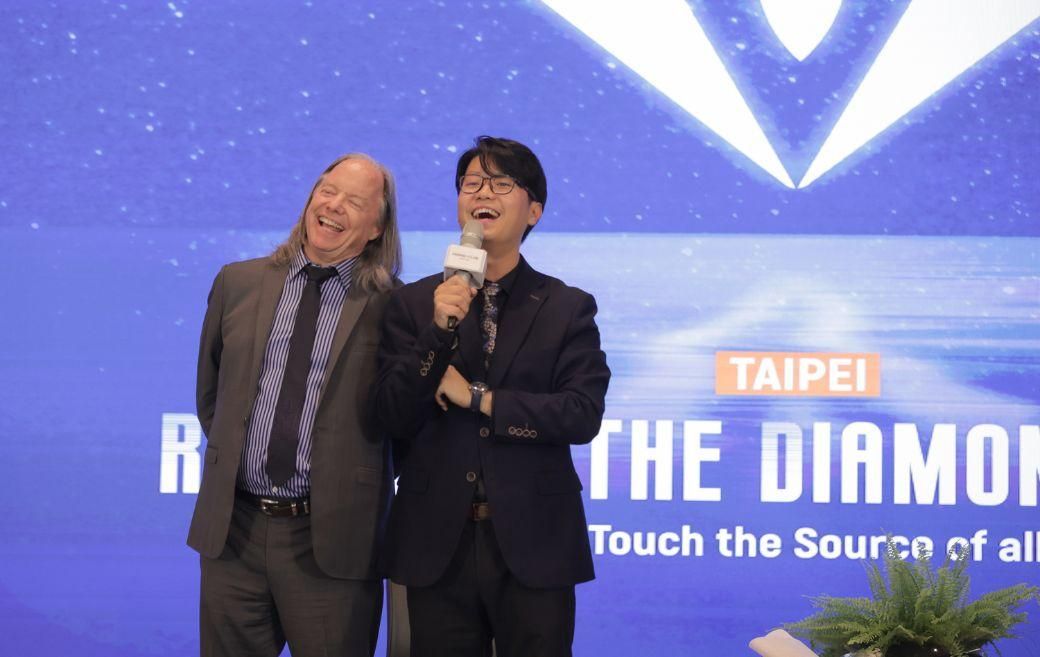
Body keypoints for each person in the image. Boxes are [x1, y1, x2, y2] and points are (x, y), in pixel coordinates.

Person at [376, 136, 610, 657]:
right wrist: (437, 332)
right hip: (436, 542)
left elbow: (580, 414)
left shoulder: (566, 307)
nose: (483, 193)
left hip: (536, 541)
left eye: (502, 183)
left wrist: (479, 397)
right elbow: (391, 415)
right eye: (472, 183)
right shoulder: (413, 304)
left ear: (534, 211)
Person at [187, 153, 401, 657]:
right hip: (233, 532)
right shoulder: (237, 282)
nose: (334, 205)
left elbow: (402, 417)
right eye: (327, 191)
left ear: (376, 228)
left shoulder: (394, 306)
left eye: (355, 201)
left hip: (332, 540)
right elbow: (211, 394)